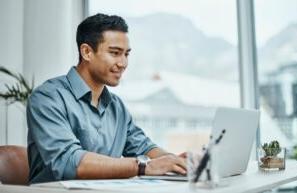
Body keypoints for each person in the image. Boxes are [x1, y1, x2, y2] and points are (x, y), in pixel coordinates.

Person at [26, 13, 187, 184]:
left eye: (126, 54)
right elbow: (69, 163)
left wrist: (176, 162)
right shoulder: (47, 98)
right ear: (87, 52)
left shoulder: (117, 107)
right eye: (115, 53)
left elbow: (144, 148)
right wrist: (143, 166)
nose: (123, 63)